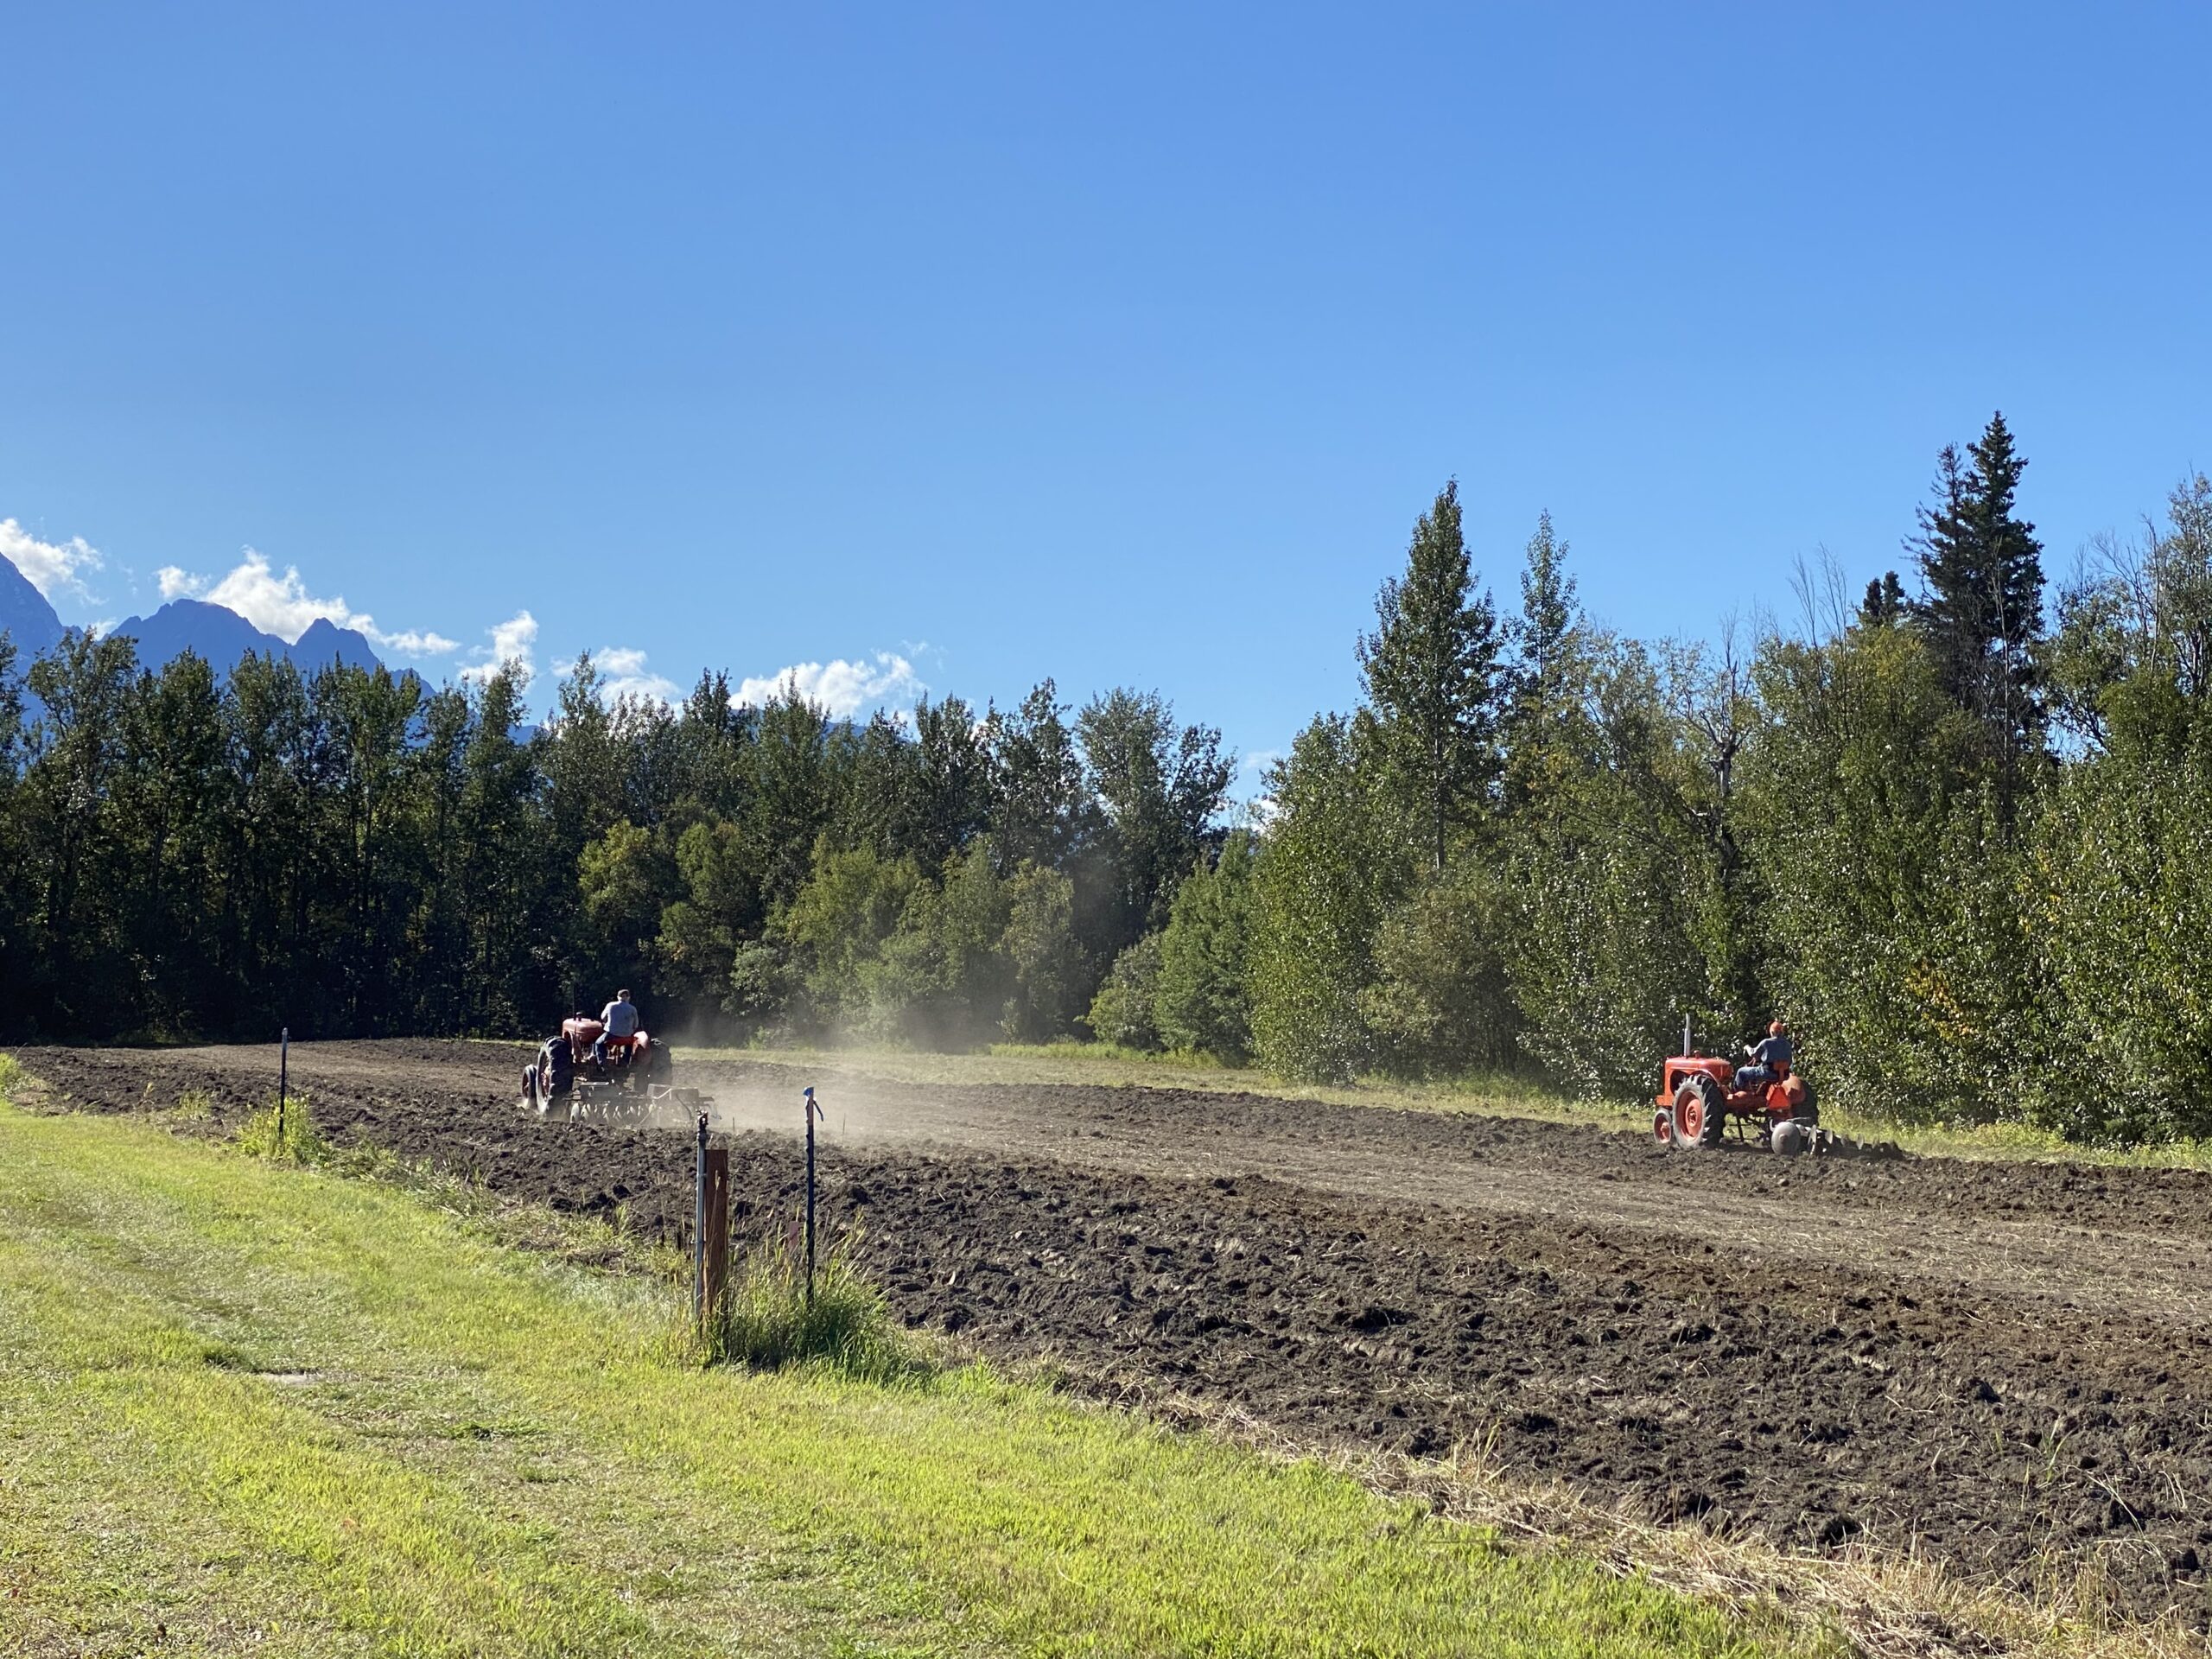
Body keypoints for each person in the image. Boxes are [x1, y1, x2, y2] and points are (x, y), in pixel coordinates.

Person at [1735, 1020, 1792, 1091]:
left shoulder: (1766, 1042)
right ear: (1782, 1032)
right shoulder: (1787, 1045)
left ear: (1772, 1032)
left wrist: (1747, 1047)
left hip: (1768, 1073)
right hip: (1784, 1075)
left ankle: (1738, 1093)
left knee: (1741, 1072)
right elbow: (1790, 1062)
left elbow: (1753, 1053)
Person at [594, 988, 640, 1065]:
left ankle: (602, 1063)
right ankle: (626, 1061)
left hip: (612, 1035)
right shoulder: (632, 1008)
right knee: (629, 1044)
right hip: (627, 1036)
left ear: (618, 997)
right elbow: (636, 1025)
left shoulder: (610, 1005)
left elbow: (602, 1017)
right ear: (628, 998)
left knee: (598, 1043)